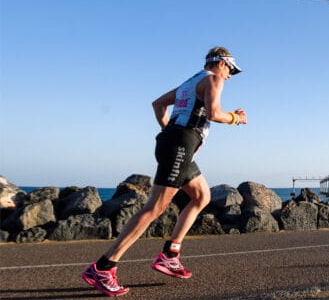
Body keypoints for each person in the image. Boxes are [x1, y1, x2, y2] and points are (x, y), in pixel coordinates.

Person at [82, 46, 247, 297]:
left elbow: (158, 104)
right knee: (155, 208)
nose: (230, 76)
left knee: (202, 196)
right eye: (231, 71)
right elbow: (213, 113)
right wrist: (236, 118)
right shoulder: (213, 79)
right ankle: (103, 267)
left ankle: (170, 254)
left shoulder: (189, 83)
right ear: (222, 63)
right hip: (181, 143)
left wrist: (170, 131)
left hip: (177, 143)